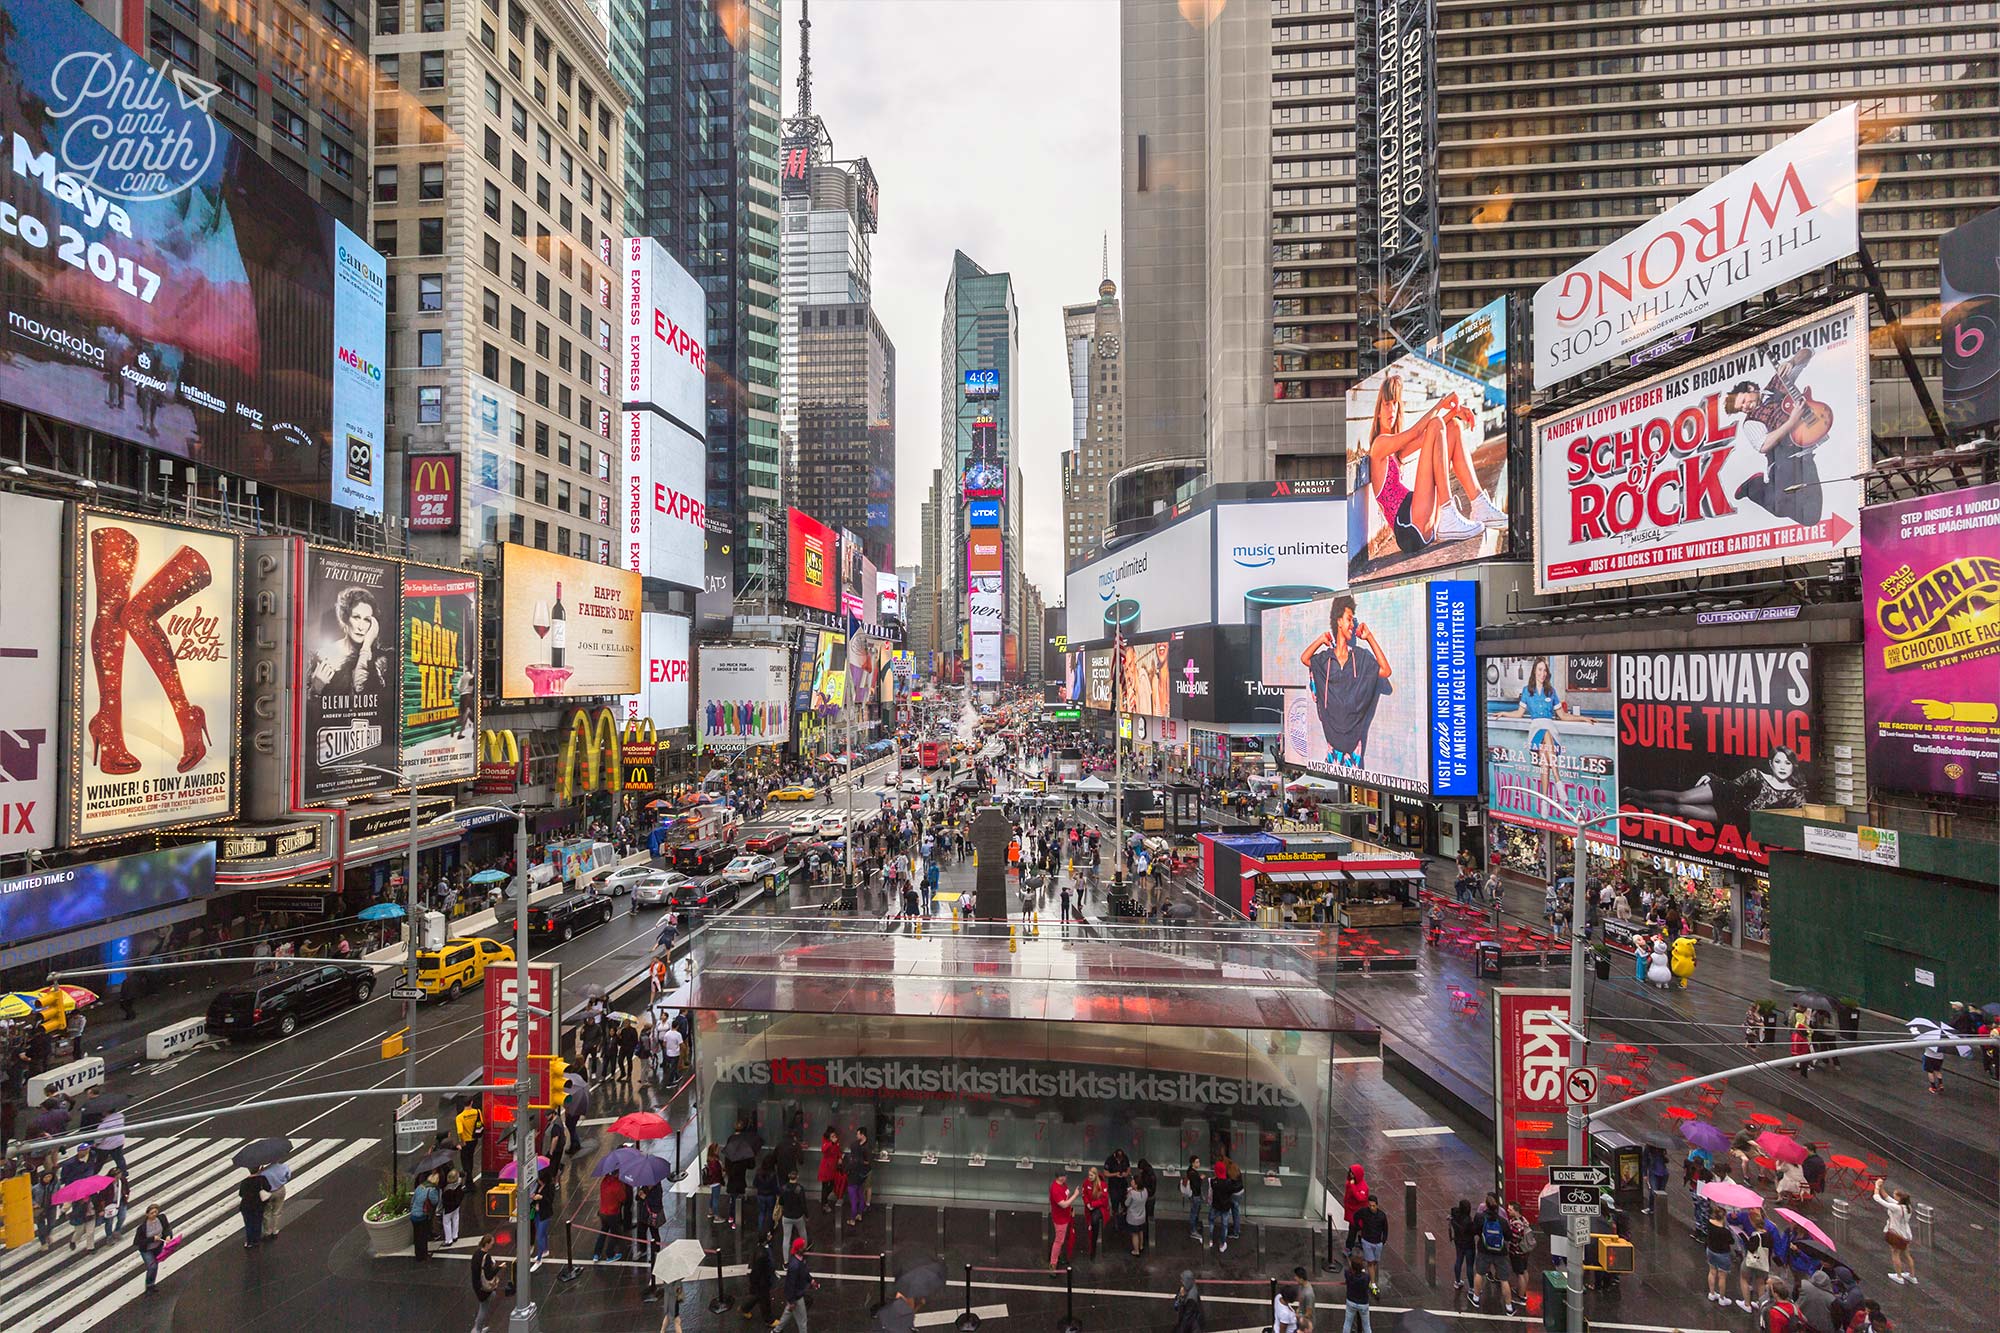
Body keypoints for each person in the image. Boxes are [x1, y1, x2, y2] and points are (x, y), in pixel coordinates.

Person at [1722, 349, 1823, 526]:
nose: (1745, 407)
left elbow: (1807, 353)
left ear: (1752, 389)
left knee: (1811, 517)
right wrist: (1792, 421)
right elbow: (1764, 445)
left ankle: (1758, 488)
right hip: (1783, 463)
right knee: (1780, 507)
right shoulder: (1751, 422)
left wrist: (1791, 361)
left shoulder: (1777, 383)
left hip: (1806, 456)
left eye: (1744, 401)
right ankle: (1753, 487)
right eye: (1741, 408)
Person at [1471, 1194, 1512, 1313]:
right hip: (1500, 1251)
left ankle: (1476, 1298)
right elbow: (1508, 1236)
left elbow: (1475, 1230)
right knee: (1504, 1280)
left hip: (1484, 1250)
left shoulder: (1480, 1217)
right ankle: (1509, 1307)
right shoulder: (1503, 1221)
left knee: (1479, 1273)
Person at [1872, 1181, 1917, 1284]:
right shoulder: (1907, 1207)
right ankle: (1912, 1276)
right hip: (1906, 1235)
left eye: (1895, 1195)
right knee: (1907, 1254)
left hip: (1896, 1234)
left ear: (1899, 1198)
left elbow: (1877, 1198)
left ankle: (1899, 1276)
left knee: (1895, 1254)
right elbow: (1887, 1197)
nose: (1893, 1196)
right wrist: (1881, 1187)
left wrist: (1876, 1186)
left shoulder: (1896, 1207)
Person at [772, 1236, 814, 1333]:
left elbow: (804, 1272)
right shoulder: (795, 1265)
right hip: (796, 1296)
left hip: (794, 1295)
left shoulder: (798, 1259)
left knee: (788, 1313)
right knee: (802, 1320)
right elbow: (791, 1284)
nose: (805, 1247)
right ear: (799, 1248)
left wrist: (811, 1280)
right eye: (803, 1246)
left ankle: (777, 1330)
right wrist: (792, 1301)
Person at [133, 1202, 173, 1291]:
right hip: (147, 1250)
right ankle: (149, 1286)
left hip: (158, 1247)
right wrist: (152, 1239)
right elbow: (137, 1242)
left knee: (155, 1265)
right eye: (151, 1213)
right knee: (152, 1266)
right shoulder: (142, 1228)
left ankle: (151, 1283)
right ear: (147, 1214)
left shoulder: (161, 1218)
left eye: (155, 1212)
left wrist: (168, 1236)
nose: (154, 1214)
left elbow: (167, 1228)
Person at [470, 1232, 505, 1332]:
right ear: (487, 1244)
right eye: (491, 1244)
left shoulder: (476, 1253)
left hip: (476, 1284)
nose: (492, 1245)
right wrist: (499, 1267)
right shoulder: (487, 1257)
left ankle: (478, 1327)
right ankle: (478, 1329)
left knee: (487, 1300)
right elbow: (489, 1275)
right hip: (482, 1287)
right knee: (483, 1308)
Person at [1357, 1195, 1390, 1293]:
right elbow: (1356, 1217)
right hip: (1367, 1241)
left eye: (1373, 1206)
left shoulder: (1382, 1216)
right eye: (1370, 1205)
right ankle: (1373, 1283)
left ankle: (1364, 1269)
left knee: (1374, 1261)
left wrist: (1383, 1241)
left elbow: (1385, 1229)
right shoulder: (1364, 1212)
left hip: (1377, 1242)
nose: (1372, 1207)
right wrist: (1359, 1228)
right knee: (1371, 1262)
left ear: (1377, 1205)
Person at [743, 1229, 777, 1323]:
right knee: (765, 1300)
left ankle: (745, 1308)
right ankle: (769, 1320)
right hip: (763, 1281)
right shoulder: (762, 1255)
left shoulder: (761, 1249)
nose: (770, 1235)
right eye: (768, 1234)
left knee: (756, 1296)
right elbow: (758, 1271)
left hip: (762, 1280)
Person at [593, 1171, 628, 1261]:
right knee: (615, 1233)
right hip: (612, 1213)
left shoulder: (604, 1181)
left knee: (603, 1231)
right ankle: (610, 1254)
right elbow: (623, 1198)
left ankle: (597, 1253)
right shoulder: (617, 1185)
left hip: (602, 1212)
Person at [1048, 1169, 1079, 1268]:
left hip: (1065, 1215)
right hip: (1060, 1219)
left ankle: (1057, 1257)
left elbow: (1066, 1199)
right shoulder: (1055, 1189)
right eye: (1065, 1176)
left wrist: (1071, 1209)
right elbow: (1064, 1204)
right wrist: (1075, 1195)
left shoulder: (1063, 1185)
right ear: (1060, 1177)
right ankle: (1053, 1264)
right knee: (1059, 1241)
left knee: (1061, 1239)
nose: (1066, 1177)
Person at [843, 1129, 872, 1225]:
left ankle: (852, 1219)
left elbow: (845, 1170)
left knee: (853, 1200)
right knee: (861, 1197)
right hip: (860, 1180)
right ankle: (860, 1214)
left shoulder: (852, 1161)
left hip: (852, 1181)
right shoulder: (861, 1161)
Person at [1447, 1199, 1478, 1291]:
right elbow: (1473, 1231)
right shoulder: (1468, 1221)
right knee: (1469, 1265)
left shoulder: (1455, 1214)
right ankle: (1472, 1287)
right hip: (1469, 1244)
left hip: (1458, 1242)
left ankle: (1457, 1281)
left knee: (1458, 1260)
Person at [1207, 1161, 1237, 1254]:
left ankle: (1210, 1240)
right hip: (1225, 1207)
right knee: (1224, 1226)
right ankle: (1222, 1244)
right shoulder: (1228, 1183)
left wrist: (1209, 1202)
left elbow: (1210, 1193)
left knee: (1211, 1222)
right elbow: (1232, 1193)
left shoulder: (1213, 1182)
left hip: (1215, 1206)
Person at [1340, 1163, 1370, 1253]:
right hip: (1352, 1211)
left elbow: (1360, 1198)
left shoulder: (1363, 1187)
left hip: (1358, 1213)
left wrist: (1352, 1186)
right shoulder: (1351, 1182)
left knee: (1353, 1231)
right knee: (1359, 1229)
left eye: (1352, 1173)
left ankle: (1349, 1248)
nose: (1351, 1175)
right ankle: (1361, 1243)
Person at [1080, 1167, 1109, 1258]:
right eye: (1089, 1175)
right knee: (1090, 1224)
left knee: (1094, 1221)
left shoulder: (1103, 1185)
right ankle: (1092, 1245)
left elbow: (1104, 1200)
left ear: (1096, 1175)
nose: (1089, 1177)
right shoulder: (1086, 1182)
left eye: (1091, 1175)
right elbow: (1084, 1195)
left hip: (1100, 1208)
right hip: (1089, 1208)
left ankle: (1094, 1246)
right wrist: (1088, 1204)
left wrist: (1093, 1204)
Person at [1340, 1252, 1373, 1333]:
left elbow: (1347, 1271)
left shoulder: (1348, 1274)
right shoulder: (1366, 1277)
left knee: (1347, 1323)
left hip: (1351, 1301)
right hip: (1363, 1303)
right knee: (1366, 1325)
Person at [239, 1168, 271, 1250]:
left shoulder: (245, 1182)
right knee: (258, 1222)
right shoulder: (262, 1179)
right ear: (258, 1169)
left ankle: (249, 1242)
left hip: (246, 1206)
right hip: (258, 1205)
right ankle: (256, 1241)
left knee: (249, 1224)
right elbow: (268, 1188)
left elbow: (241, 1194)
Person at [778, 1169, 809, 1256]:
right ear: (797, 1177)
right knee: (803, 1233)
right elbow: (803, 1204)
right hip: (797, 1216)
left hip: (786, 1216)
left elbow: (780, 1202)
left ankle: (786, 1261)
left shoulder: (783, 1188)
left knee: (786, 1238)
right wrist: (806, 1215)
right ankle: (803, 1250)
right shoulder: (799, 1189)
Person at [530, 1170, 555, 1271]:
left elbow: (550, 1200)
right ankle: (545, 1250)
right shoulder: (538, 1186)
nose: (538, 1181)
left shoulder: (550, 1187)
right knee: (542, 1233)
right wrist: (534, 1197)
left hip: (545, 1214)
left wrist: (541, 1197)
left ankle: (539, 1259)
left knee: (539, 1235)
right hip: (537, 1213)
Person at [1182, 1156, 1207, 1242]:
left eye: (1198, 1162)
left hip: (1195, 1195)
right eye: (1196, 1162)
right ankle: (1193, 1230)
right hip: (1195, 1195)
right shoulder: (1192, 1173)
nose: (1198, 1164)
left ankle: (1195, 1226)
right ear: (1192, 1163)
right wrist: (1200, 1179)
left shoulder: (1191, 1171)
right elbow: (1196, 1185)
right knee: (1194, 1212)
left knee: (1196, 1211)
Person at [1123, 1174, 1149, 1256]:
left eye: (1133, 1181)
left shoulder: (1132, 1194)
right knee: (1140, 1231)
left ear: (1136, 1185)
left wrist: (1128, 1195)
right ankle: (1141, 1246)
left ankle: (1136, 1250)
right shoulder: (1145, 1191)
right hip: (1142, 1216)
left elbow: (1126, 1204)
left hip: (1133, 1218)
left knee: (1134, 1234)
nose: (1131, 1182)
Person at [439, 1168, 465, 1247]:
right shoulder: (459, 1184)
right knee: (456, 1218)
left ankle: (448, 1240)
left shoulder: (447, 1190)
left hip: (448, 1208)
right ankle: (455, 1235)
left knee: (446, 1222)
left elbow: (442, 1200)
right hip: (456, 1205)